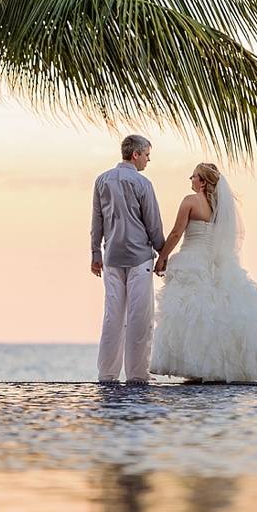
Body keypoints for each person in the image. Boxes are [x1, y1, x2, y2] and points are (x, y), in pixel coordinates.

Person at [150, 163, 257, 382]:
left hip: (192, 261)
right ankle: (221, 367)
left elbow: (175, 233)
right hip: (215, 263)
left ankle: (198, 368)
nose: (191, 179)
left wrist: (162, 258)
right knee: (220, 315)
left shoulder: (190, 201)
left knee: (194, 317)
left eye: (194, 176)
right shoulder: (220, 207)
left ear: (203, 182)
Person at [91, 134, 166, 383]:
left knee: (112, 317)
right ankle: (137, 375)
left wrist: (95, 254)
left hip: (111, 257)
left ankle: (107, 374)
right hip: (139, 259)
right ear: (135, 154)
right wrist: (162, 253)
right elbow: (152, 223)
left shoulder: (101, 181)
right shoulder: (143, 183)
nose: (148, 160)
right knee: (138, 319)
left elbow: (97, 221)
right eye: (146, 155)